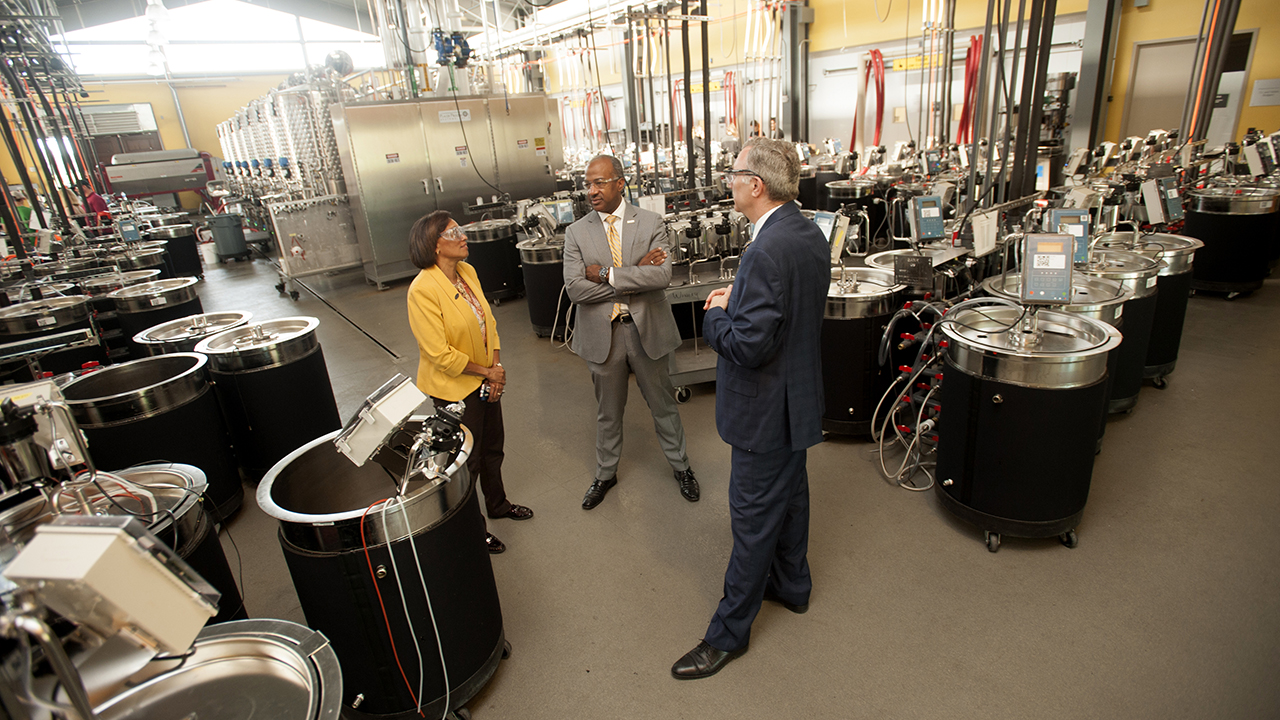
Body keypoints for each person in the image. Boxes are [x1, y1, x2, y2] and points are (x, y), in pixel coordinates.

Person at [671, 137, 829, 679]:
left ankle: (727, 635)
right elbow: (786, 312)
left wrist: (716, 314)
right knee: (791, 501)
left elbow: (749, 346)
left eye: (733, 173)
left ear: (755, 185)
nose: (728, 182)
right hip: (796, 401)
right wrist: (740, 296)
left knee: (753, 519)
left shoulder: (766, 248)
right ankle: (793, 587)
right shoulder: (806, 230)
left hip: (765, 411)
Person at [562, 154, 698, 510]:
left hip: (647, 330)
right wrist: (632, 274)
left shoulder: (651, 222)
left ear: (620, 183)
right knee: (608, 412)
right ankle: (606, 473)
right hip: (603, 336)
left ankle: (681, 467)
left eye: (599, 183)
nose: (591, 190)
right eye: (587, 184)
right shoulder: (576, 232)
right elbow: (576, 290)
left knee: (663, 405)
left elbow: (661, 276)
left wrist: (606, 274)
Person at [406, 210, 534, 554]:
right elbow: (440, 355)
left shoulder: (467, 272)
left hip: (485, 378)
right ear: (434, 246)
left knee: (493, 447)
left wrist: (496, 368)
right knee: (467, 462)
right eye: (454, 233)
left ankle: (498, 505)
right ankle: (473, 529)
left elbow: (487, 324)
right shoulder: (422, 290)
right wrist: (487, 373)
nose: (463, 236)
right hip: (454, 390)